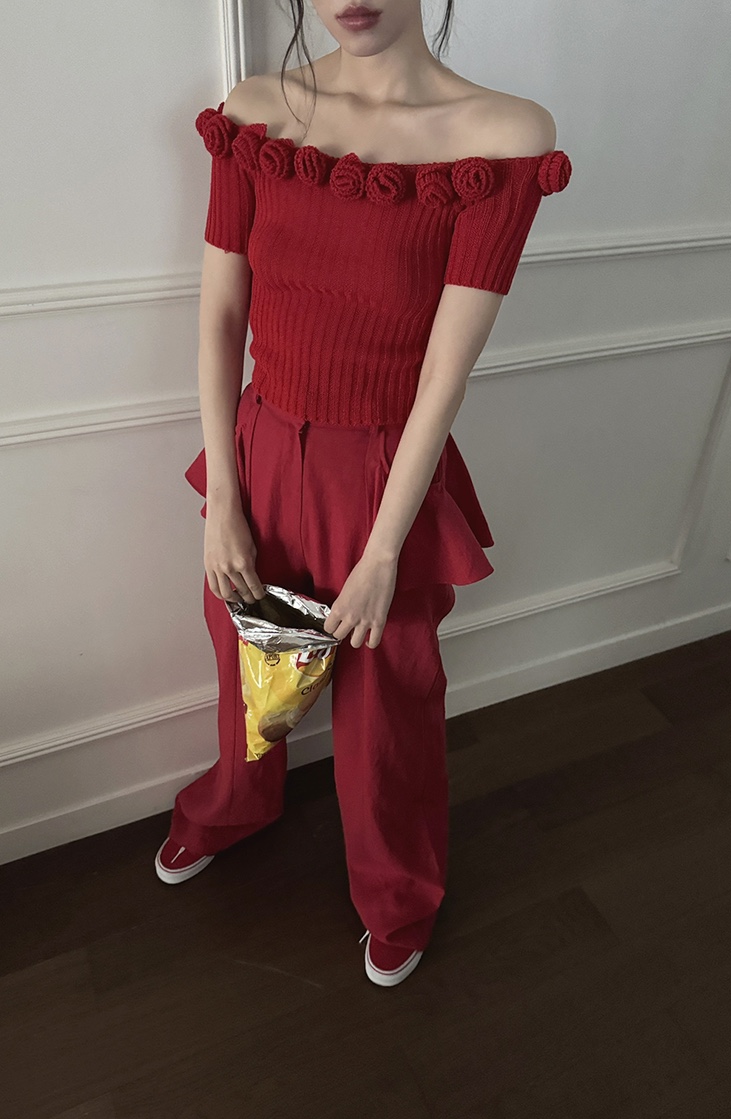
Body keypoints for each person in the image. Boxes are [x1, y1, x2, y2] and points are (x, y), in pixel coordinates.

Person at [155, 0, 572, 987]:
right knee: (248, 654)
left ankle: (399, 890)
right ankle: (236, 801)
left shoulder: (501, 136)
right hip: (258, 442)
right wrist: (225, 498)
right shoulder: (257, 113)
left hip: (387, 467)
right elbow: (219, 315)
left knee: (390, 702)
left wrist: (385, 549)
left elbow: (445, 374)